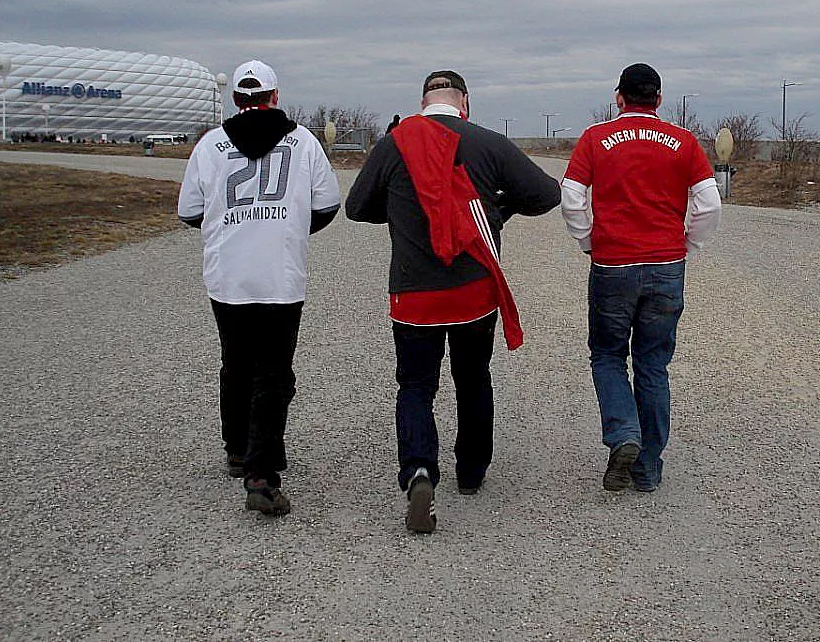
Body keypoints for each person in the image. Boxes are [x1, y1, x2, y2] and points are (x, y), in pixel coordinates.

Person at [345, 69, 560, 534]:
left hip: (414, 292)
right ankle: (471, 472)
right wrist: (497, 209)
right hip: (473, 290)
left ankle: (419, 471)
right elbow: (546, 194)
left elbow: (357, 207)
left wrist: (407, 209)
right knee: (472, 376)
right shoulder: (486, 142)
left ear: (422, 100)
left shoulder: (394, 144)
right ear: (465, 102)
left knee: (416, 386)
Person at [178, 59, 340, 517]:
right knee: (273, 372)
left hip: (226, 274)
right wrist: (286, 228)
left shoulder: (211, 144)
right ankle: (262, 473)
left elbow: (189, 211)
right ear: (275, 96)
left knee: (236, 362)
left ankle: (238, 448)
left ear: (236, 99)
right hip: (280, 275)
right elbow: (327, 206)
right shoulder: (302, 141)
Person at [560, 63, 721, 493]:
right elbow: (710, 203)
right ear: (659, 100)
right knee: (653, 363)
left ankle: (623, 434)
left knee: (609, 355)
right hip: (666, 265)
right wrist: (690, 245)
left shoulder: (596, 139)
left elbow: (572, 197)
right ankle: (647, 467)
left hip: (612, 264)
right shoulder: (683, 142)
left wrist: (588, 241)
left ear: (619, 98)